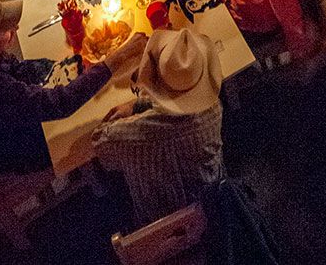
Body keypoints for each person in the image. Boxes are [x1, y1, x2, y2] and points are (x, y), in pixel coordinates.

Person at [0, 0, 139, 174]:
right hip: (4, 151)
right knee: (92, 123)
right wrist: (115, 60)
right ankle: (99, 180)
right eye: (6, 29)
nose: (16, 29)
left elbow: (16, 68)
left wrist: (66, 66)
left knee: (77, 82)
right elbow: (59, 104)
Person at [91, 29, 225, 226]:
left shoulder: (121, 137)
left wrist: (135, 106)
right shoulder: (214, 109)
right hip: (217, 210)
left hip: (156, 225)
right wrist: (138, 106)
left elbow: (100, 146)